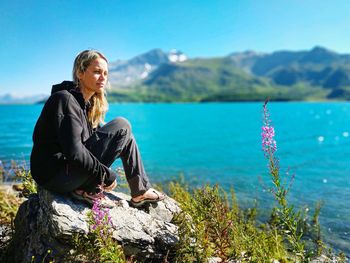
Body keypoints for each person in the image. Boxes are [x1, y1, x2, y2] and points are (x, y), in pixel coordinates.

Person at [30, 50, 165, 207]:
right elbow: (75, 152)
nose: (103, 78)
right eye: (97, 72)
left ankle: (139, 192)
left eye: (105, 73)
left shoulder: (85, 105)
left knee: (126, 136)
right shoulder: (65, 99)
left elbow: (95, 145)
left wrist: (102, 173)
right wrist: (107, 175)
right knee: (122, 124)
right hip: (56, 177)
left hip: (67, 174)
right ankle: (88, 188)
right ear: (80, 73)